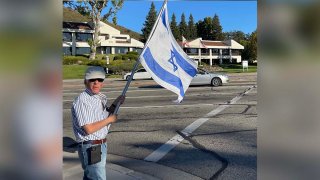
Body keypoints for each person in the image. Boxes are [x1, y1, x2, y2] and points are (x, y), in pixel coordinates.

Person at [71, 66, 125, 180]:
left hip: (100, 145)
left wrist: (117, 102)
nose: (96, 83)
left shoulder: (100, 97)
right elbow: (89, 129)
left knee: (91, 177)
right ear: (86, 81)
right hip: (91, 146)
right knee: (97, 178)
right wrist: (109, 120)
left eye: (100, 80)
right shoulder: (82, 100)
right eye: (92, 80)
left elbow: (106, 113)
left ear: (102, 83)